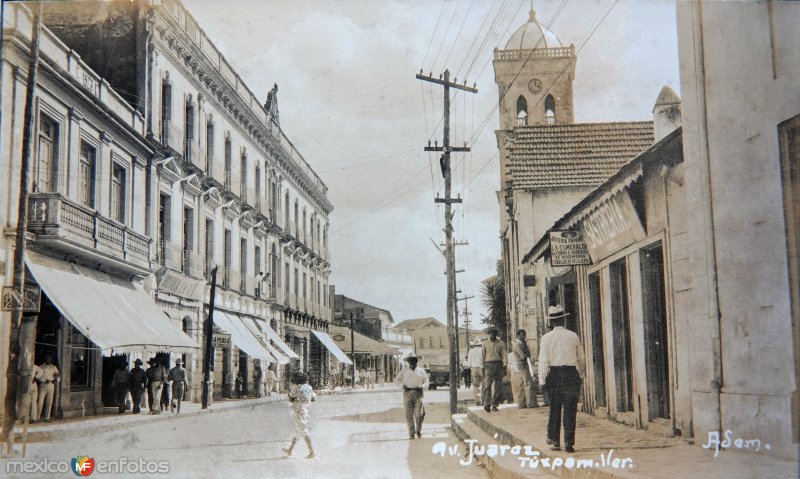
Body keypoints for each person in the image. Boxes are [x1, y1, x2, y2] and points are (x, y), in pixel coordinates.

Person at [538, 305, 584, 454]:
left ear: (551, 322)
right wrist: (581, 375)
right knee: (570, 409)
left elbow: (543, 361)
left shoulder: (546, 338)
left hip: (555, 375)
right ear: (563, 319)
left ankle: (555, 439)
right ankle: (569, 443)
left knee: (555, 408)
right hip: (571, 374)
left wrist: (542, 381)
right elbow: (581, 359)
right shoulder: (573, 335)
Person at [393, 354, 429, 439]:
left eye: (414, 361)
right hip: (407, 393)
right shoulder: (404, 370)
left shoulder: (421, 371)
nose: (412, 362)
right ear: (408, 362)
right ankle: (411, 433)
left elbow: (427, 381)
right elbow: (396, 380)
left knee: (419, 414)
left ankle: (418, 430)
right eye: (411, 361)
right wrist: (402, 386)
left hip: (418, 393)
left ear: (417, 362)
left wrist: (421, 386)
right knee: (409, 414)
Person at [282, 371, 316, 458]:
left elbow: (292, 399)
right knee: (298, 431)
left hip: (298, 411)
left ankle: (312, 452)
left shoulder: (297, 388)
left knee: (304, 432)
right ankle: (290, 450)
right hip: (305, 411)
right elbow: (313, 399)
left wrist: (289, 394)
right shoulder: (309, 387)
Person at [481, 327, 506, 413]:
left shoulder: (501, 343)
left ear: (496, 334)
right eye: (491, 333)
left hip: (499, 364)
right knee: (487, 385)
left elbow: (504, 354)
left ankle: (495, 404)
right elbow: (482, 356)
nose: (493, 334)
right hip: (488, 364)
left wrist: (505, 365)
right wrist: (482, 367)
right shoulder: (485, 344)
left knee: (498, 386)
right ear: (489, 334)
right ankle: (487, 403)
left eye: (494, 333)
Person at [512, 329, 539, 408]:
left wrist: (526, 348)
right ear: (518, 335)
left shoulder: (522, 343)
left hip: (523, 365)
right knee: (529, 383)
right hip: (522, 365)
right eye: (522, 335)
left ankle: (521, 404)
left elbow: (528, 353)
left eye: (524, 335)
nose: (523, 337)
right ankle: (531, 403)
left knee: (522, 385)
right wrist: (526, 353)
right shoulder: (517, 345)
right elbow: (523, 356)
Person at [36, 355, 60, 422]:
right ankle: (37, 417)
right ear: (45, 359)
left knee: (49, 402)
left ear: (51, 359)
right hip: (43, 385)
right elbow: (37, 377)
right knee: (40, 401)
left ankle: (47, 417)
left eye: (49, 358)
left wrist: (56, 380)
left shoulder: (53, 367)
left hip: (51, 385)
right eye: (47, 358)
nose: (48, 360)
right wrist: (43, 380)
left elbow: (58, 375)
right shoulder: (41, 367)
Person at [467, 339, 484, 406]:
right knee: (483, 384)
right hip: (481, 368)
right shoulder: (482, 350)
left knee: (475, 385)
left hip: (474, 368)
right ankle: (483, 399)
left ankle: (477, 400)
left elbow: (469, 363)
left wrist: (471, 367)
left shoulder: (471, 351)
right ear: (480, 344)